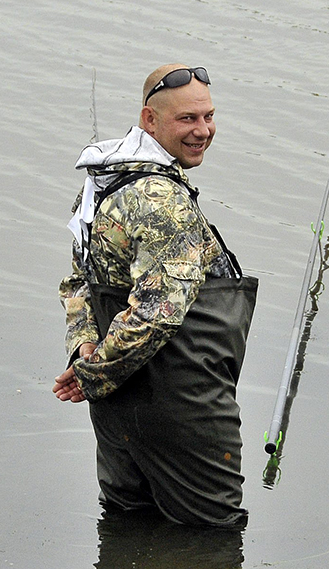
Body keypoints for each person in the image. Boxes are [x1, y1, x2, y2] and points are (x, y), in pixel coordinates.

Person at [53, 64, 258, 527]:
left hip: (115, 407)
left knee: (127, 519)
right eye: (187, 119)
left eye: (208, 117)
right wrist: (93, 374)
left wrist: (84, 349)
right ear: (150, 119)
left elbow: (78, 279)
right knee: (212, 534)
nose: (203, 130)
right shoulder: (163, 201)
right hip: (181, 404)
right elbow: (157, 316)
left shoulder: (103, 179)